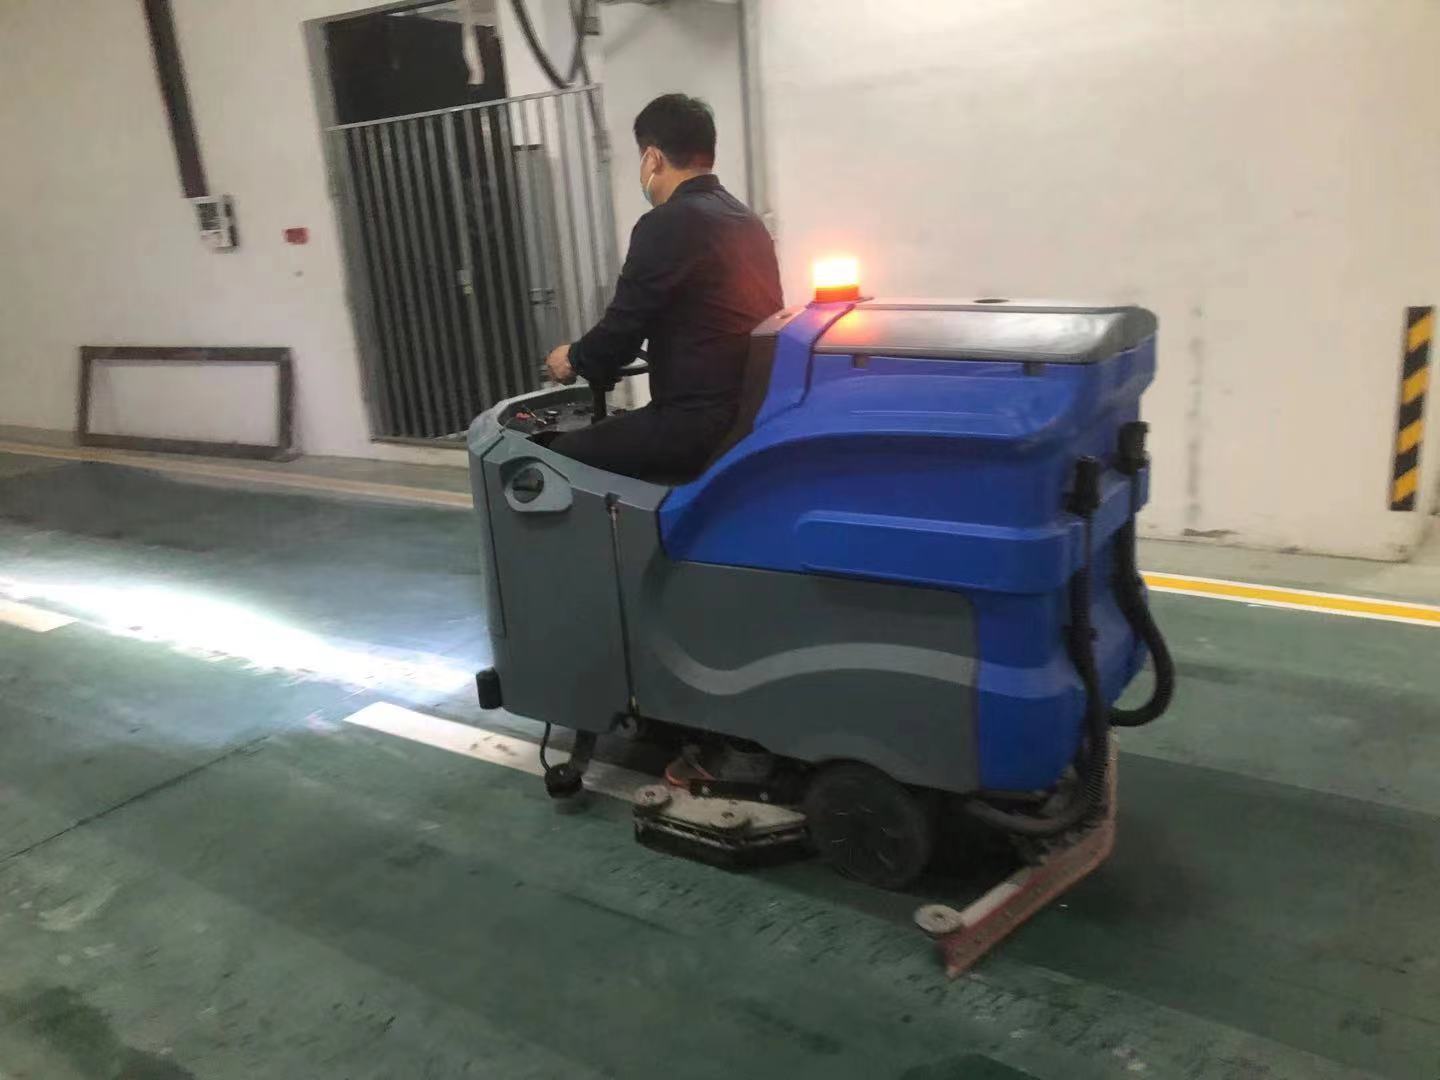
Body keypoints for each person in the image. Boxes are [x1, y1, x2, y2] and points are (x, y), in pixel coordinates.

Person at [544, 93, 783, 483]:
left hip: (693, 424)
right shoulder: (745, 220)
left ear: (652, 158)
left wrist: (572, 358)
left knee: (554, 457)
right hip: (745, 414)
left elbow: (620, 334)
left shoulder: (667, 223)